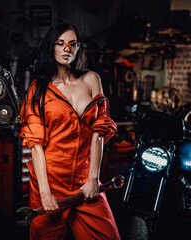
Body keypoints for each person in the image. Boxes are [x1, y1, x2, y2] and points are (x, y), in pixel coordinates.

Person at [18, 22, 120, 239]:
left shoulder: (92, 79)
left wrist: (94, 178)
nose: (67, 48)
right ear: (51, 47)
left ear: (78, 48)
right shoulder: (38, 89)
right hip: (50, 182)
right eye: (60, 43)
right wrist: (45, 194)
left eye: (72, 44)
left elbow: (99, 131)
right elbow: (36, 146)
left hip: (86, 182)